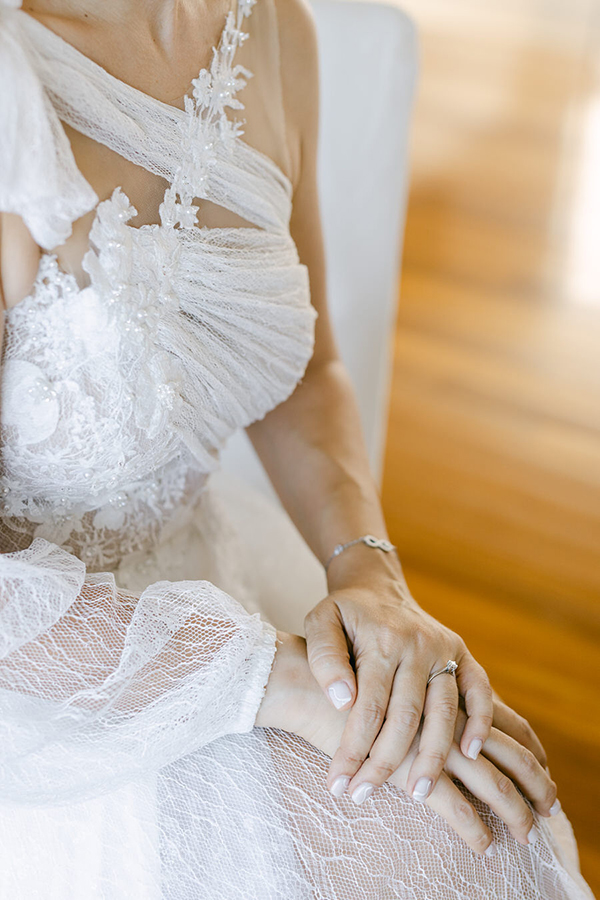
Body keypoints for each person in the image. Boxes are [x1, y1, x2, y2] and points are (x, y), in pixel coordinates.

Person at [0, 0, 594, 896]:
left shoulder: (272, 28)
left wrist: (368, 574)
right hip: (47, 680)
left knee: (505, 827)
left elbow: (309, 369)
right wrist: (276, 678)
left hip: (203, 569)